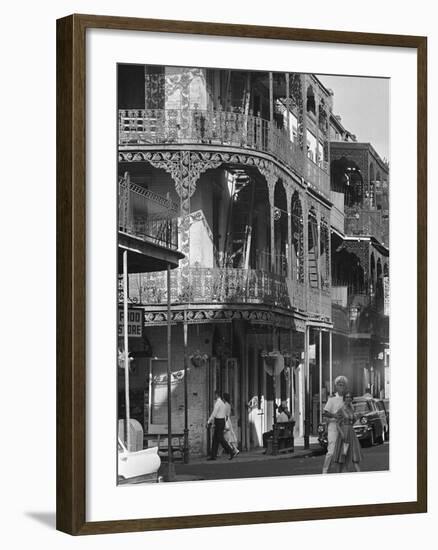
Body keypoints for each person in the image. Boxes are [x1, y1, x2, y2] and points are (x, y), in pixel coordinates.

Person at [321, 375, 348, 474]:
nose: (341, 387)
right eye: (339, 385)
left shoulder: (347, 399)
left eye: (343, 385)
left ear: (345, 387)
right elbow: (325, 412)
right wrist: (334, 415)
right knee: (331, 451)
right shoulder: (332, 399)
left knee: (344, 451)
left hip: (345, 428)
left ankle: (342, 471)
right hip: (333, 427)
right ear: (336, 386)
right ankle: (325, 470)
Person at [333, 392, 362, 472]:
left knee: (353, 454)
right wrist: (341, 433)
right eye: (346, 397)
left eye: (350, 397)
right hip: (344, 433)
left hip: (351, 433)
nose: (348, 398)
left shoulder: (351, 409)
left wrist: (357, 418)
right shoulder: (341, 410)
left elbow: (352, 422)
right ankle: (341, 472)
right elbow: (337, 424)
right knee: (343, 454)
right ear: (344, 399)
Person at [207, 391, 237, 460]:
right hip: (221, 421)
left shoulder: (218, 403)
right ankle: (213, 456)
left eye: (214, 395)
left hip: (219, 421)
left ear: (216, 395)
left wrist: (209, 421)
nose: (213, 396)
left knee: (220, 438)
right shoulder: (223, 404)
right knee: (215, 439)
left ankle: (231, 451)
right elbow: (223, 415)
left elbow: (214, 413)